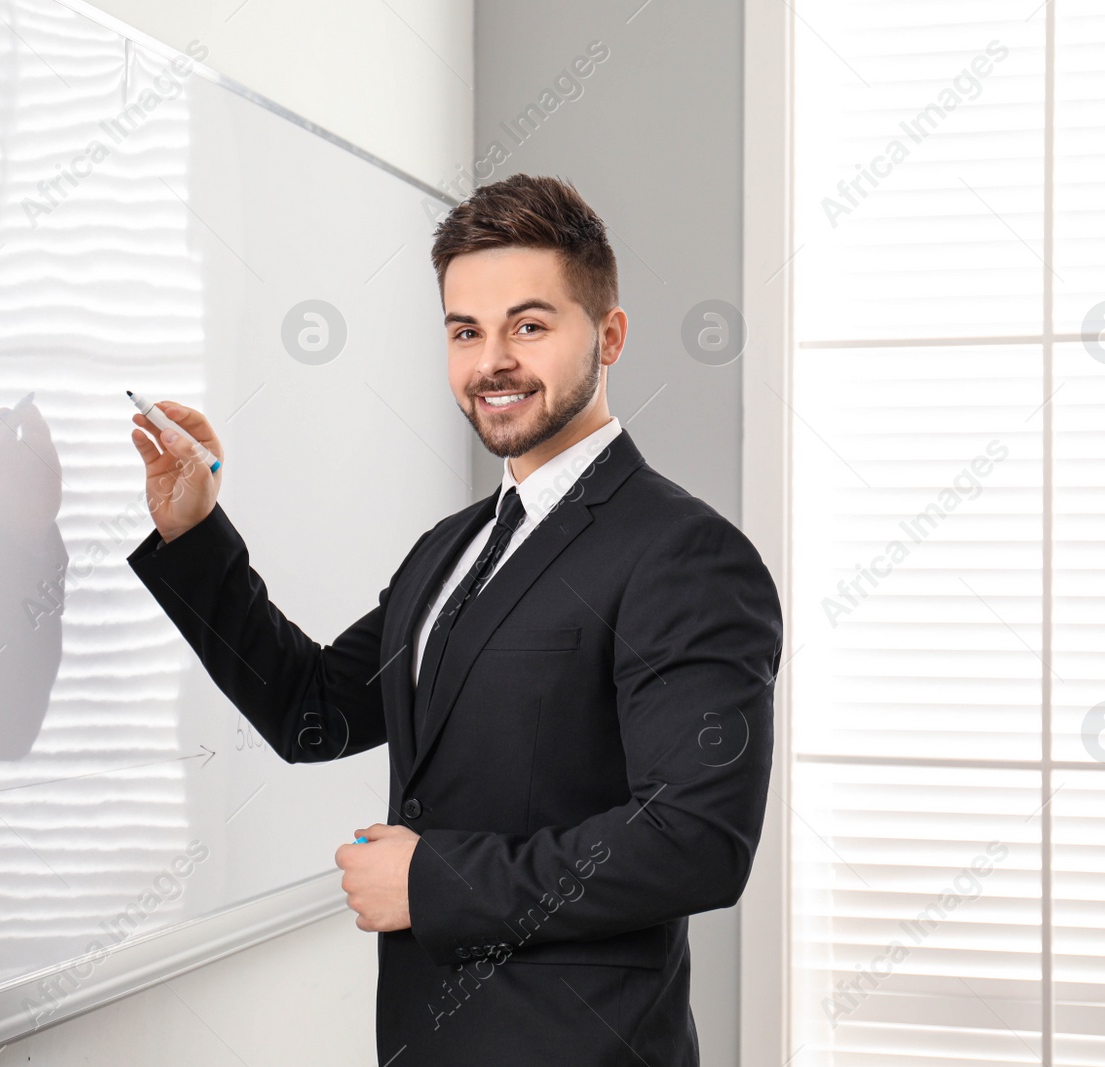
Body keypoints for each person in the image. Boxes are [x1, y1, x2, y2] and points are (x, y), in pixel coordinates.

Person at [126, 173, 782, 1065]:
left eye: (530, 325)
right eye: (465, 331)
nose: (492, 362)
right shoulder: (451, 549)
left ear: (610, 335)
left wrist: (430, 880)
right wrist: (193, 530)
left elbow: (696, 840)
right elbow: (311, 711)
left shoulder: (685, 554)